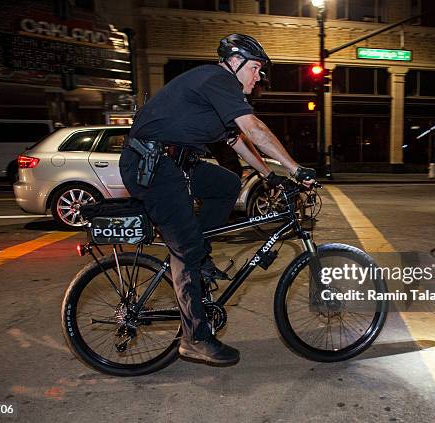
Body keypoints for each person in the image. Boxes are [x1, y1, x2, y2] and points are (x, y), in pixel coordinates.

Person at [119, 34, 316, 366]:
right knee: (187, 248)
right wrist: (295, 169)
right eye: (255, 69)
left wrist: (268, 176)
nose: (259, 78)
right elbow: (253, 129)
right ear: (235, 62)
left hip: (175, 165)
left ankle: (198, 254)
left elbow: (237, 141)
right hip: (150, 166)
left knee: (226, 183)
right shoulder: (217, 78)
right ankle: (195, 338)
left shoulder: (215, 94)